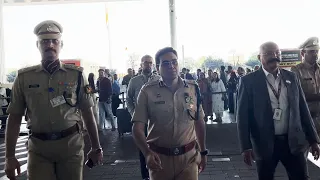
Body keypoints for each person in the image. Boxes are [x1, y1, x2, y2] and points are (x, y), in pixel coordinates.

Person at [4, 20, 103, 180]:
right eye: (44, 41)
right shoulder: (24, 78)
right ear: (38, 45)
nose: (50, 45)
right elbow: (14, 117)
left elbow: (87, 112)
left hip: (71, 147)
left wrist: (96, 148)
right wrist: (10, 157)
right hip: (38, 149)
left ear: (61, 44)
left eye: (54, 41)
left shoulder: (76, 75)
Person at [237, 41, 320, 180]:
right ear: (259, 57)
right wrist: (245, 147)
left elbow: (303, 109)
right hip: (265, 144)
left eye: (277, 53)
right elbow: (242, 117)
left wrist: (313, 140)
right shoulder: (248, 81)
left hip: (293, 143)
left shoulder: (291, 77)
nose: (274, 56)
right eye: (268, 53)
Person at [132, 47, 207, 180]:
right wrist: (147, 153)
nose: (171, 66)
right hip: (159, 161)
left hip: (188, 159)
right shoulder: (147, 92)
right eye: (165, 63)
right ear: (157, 67)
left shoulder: (192, 88)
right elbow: (137, 128)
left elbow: (199, 121)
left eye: (174, 62)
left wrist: (203, 151)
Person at [127, 55, 161, 180]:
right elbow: (129, 99)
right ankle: (146, 176)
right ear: (141, 65)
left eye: (150, 63)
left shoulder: (159, 79)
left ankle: (159, 172)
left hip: (156, 121)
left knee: (158, 146)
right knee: (143, 149)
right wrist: (134, 114)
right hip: (141, 122)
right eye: (146, 63)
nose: (148, 65)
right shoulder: (134, 81)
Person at [291, 37, 320, 135]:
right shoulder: (296, 70)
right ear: (303, 53)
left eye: (316, 51)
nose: (315, 54)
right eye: (312, 52)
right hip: (306, 120)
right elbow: (297, 96)